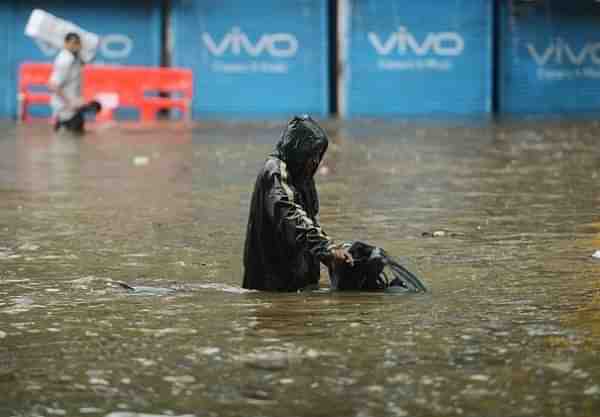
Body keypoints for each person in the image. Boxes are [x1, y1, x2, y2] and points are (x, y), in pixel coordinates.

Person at [243, 115, 353, 292]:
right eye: (312, 155)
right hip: (272, 286)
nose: (315, 162)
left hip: (300, 284)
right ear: (298, 150)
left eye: (319, 156)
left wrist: (331, 253)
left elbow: (310, 222)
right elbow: (291, 215)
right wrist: (326, 249)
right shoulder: (275, 172)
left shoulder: (303, 177)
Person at [48, 32, 100, 134]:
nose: (76, 46)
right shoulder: (64, 60)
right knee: (68, 142)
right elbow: (53, 85)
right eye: (73, 43)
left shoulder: (75, 58)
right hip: (66, 110)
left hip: (74, 108)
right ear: (66, 44)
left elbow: (88, 59)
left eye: (78, 43)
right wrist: (69, 103)